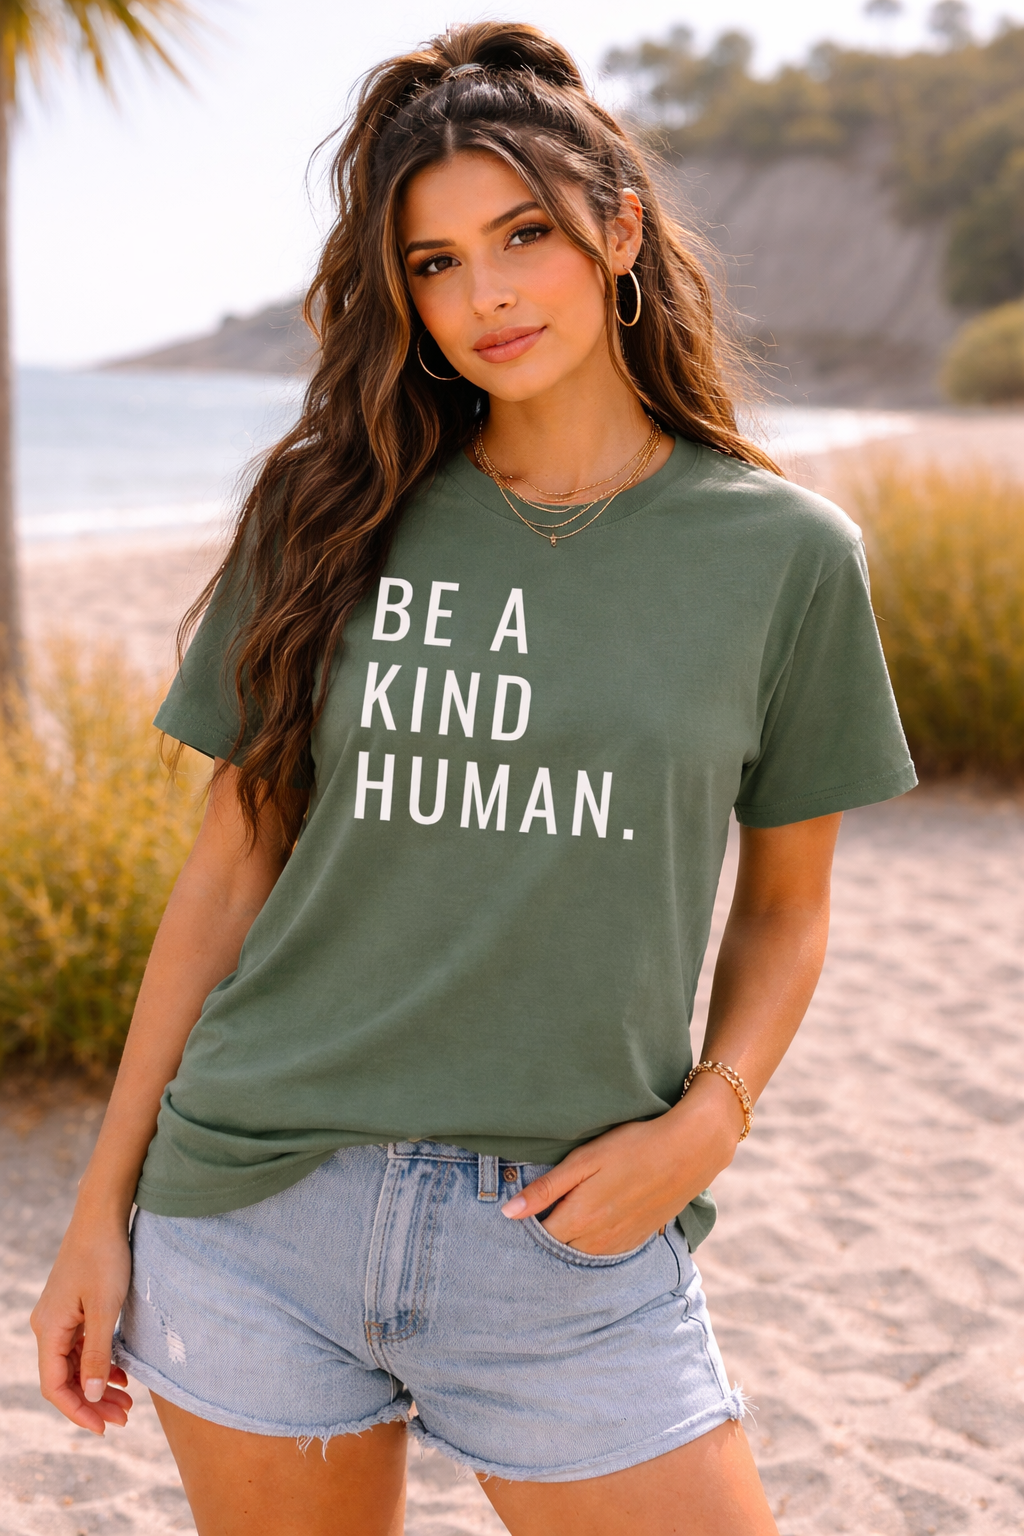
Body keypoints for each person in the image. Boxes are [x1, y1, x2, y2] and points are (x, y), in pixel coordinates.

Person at [31, 22, 917, 1535]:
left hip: (567, 1235)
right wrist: (96, 1212)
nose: (486, 294)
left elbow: (789, 906)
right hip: (252, 1215)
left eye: (523, 236)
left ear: (618, 232)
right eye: (434, 264)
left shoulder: (783, 558)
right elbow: (229, 870)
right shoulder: (327, 515)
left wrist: (709, 1123)